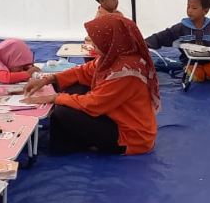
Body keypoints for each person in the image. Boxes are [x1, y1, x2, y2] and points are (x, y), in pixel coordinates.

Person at [23, 13, 160, 154]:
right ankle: (67, 142)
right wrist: (48, 79)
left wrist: (55, 97)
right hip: (117, 117)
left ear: (111, 39)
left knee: (62, 113)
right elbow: (82, 72)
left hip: (132, 137)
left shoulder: (127, 71)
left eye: (96, 40)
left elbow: (94, 103)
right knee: (72, 88)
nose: (91, 44)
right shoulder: (114, 56)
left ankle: (63, 149)